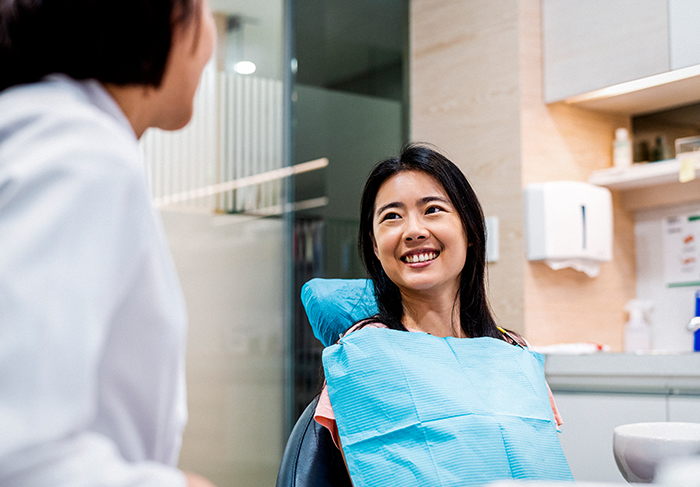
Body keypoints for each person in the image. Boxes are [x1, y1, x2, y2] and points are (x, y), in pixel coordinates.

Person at [0, 1, 216, 485]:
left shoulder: (43, 133)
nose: (210, 41)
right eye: (203, 11)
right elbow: (18, 453)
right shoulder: (79, 152)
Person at [312, 144, 572, 485]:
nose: (413, 230)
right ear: (375, 246)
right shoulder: (362, 354)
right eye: (392, 216)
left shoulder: (514, 352)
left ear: (470, 231)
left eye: (433, 209)